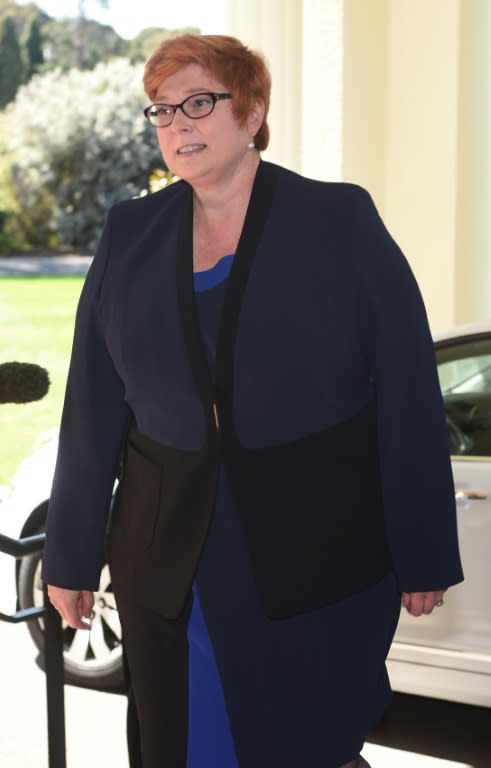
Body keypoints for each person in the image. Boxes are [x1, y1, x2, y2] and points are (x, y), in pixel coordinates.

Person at [42, 33, 463, 768]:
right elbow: (92, 407)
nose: (178, 123)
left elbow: (405, 390)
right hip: (164, 560)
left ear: (253, 110)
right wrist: (70, 553)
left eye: (199, 102)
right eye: (162, 110)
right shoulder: (130, 234)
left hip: (310, 557)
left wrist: (424, 547)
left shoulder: (338, 222)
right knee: (187, 743)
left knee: (298, 745)